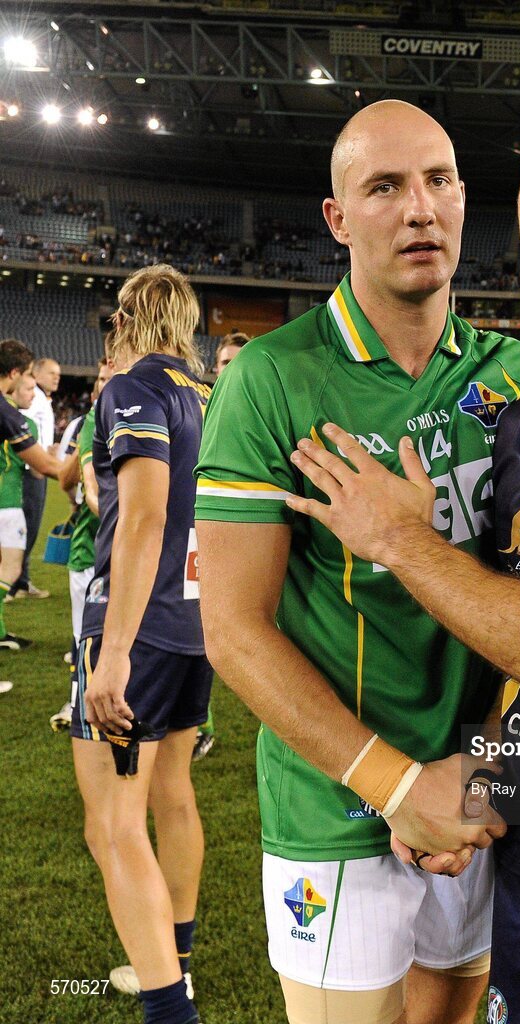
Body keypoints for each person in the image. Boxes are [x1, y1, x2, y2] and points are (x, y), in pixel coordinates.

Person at [194, 101, 520, 1024]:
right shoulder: (272, 378)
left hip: (482, 796)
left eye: (438, 181)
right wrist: (395, 787)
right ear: (337, 220)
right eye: (385, 187)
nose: (419, 209)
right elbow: (232, 630)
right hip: (340, 803)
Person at [71, 265, 212, 1024]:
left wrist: (115, 648)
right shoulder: (208, 395)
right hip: (195, 624)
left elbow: (145, 518)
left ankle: (168, 1007)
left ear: (129, 317)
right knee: (172, 794)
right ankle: (176, 963)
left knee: (113, 823)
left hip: (139, 624)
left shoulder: (133, 389)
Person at [190, 332, 252, 762]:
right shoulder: (199, 407)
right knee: (205, 627)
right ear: (215, 368)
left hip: (264, 534)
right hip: (205, 533)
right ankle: (200, 724)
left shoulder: (269, 409)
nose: (230, 369)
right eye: (225, 362)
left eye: (239, 361)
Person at [50, 357, 114, 731]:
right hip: (90, 548)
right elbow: (65, 479)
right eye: (102, 379)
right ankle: (78, 705)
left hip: (120, 545)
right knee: (85, 635)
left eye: (113, 378)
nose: (106, 385)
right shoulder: (85, 421)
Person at [0, 341, 62, 691]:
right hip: (6, 501)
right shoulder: (8, 413)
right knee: (9, 570)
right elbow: (43, 466)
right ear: (13, 374)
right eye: (25, 377)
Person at [13, 355, 61, 599]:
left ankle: (21, 580)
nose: (57, 378)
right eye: (52, 373)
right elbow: (23, 426)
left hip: (36, 466)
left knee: (29, 526)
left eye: (59, 375)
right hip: (30, 470)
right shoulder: (34, 397)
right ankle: (14, 582)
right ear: (38, 372)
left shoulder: (42, 398)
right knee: (27, 526)